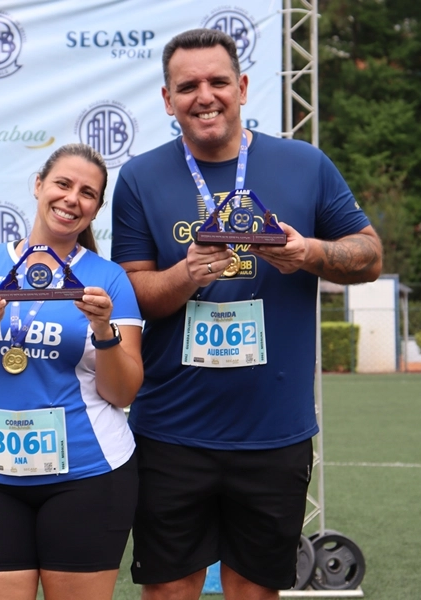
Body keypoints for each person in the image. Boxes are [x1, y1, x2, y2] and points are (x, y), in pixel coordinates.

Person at [110, 28, 383, 600]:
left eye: (217, 82)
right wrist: (187, 274)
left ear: (243, 87)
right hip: (171, 429)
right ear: (167, 99)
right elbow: (132, 295)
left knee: (256, 591)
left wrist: (307, 252)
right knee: (168, 590)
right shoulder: (139, 177)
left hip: (272, 431)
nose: (204, 96)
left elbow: (368, 255)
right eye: (188, 86)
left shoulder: (304, 164)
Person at [0, 143, 144, 600]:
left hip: (88, 474)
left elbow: (123, 392)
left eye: (88, 193)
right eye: (63, 184)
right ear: (38, 185)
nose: (72, 199)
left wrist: (103, 329)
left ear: (96, 209)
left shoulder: (108, 279)